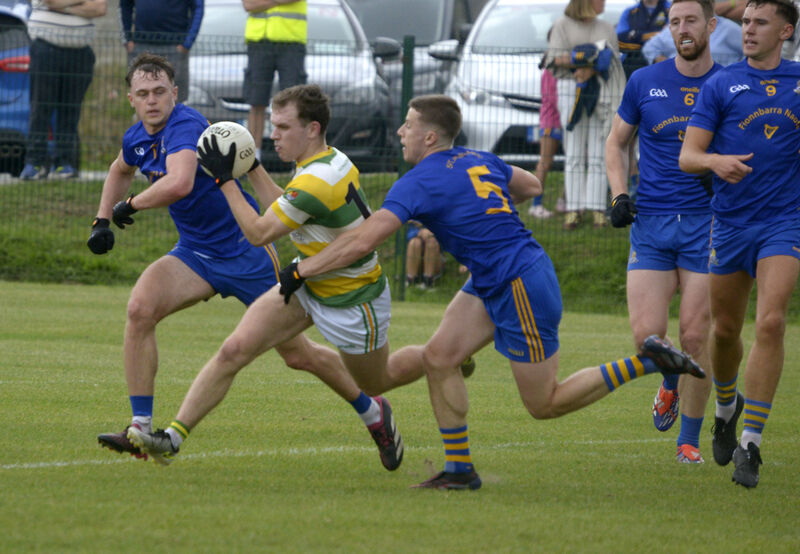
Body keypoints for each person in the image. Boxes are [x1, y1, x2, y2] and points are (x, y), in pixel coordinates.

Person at [279, 94, 705, 490]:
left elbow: (361, 242)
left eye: (407, 126)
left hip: (517, 283)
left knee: (545, 403)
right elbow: (531, 186)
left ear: (430, 136)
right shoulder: (477, 158)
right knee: (439, 357)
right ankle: (460, 469)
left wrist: (303, 270)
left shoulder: (416, 182)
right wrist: (481, 213)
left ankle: (645, 363)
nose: (399, 133)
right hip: (498, 275)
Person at [92, 58, 400, 472]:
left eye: (160, 91)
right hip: (195, 253)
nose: (152, 101)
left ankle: (372, 410)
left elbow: (182, 182)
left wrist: (131, 204)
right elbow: (119, 168)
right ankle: (143, 429)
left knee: (297, 356)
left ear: (175, 93)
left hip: (246, 253)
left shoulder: (185, 126)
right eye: (143, 94)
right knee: (140, 309)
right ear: (131, 99)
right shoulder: (137, 137)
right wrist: (101, 220)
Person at [678, 0, 800, 487]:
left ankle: (751, 442)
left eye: (759, 23)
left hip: (784, 224)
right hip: (728, 224)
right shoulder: (721, 84)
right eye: (745, 22)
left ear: (785, 31)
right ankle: (726, 408)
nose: (748, 30)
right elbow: (688, 155)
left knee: (770, 322)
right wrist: (715, 163)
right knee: (725, 331)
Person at [606, 0, 721, 464]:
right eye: (675, 22)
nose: (682, 29)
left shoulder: (730, 84)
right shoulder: (645, 81)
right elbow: (616, 142)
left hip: (708, 225)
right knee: (648, 339)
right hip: (651, 224)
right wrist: (618, 195)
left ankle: (688, 442)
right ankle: (670, 381)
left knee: (695, 337)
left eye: (691, 20)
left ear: (711, 25)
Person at [547, 0, 626, 229]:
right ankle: (573, 209)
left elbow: (613, 58)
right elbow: (554, 57)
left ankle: (597, 208)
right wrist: (584, 60)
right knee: (573, 152)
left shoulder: (606, 27)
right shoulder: (563, 25)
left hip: (601, 92)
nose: (604, 2)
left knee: (599, 151)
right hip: (571, 89)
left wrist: (592, 66)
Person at [19, 0, 107, 181]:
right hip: (45, 49)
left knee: (70, 110)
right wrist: (82, 4)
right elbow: (50, 1)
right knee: (41, 108)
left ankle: (63, 163)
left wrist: (64, 5)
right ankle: (34, 163)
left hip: (80, 53)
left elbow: (100, 8)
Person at [243, 0, 307, 161]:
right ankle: (253, 157)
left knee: (295, 103)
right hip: (259, 42)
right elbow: (248, 5)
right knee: (256, 101)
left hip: (291, 42)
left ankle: (296, 157)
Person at [120, 0, 204, 104]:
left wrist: (187, 43)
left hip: (174, 47)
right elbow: (124, 5)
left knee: (176, 100)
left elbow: (198, 8)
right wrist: (127, 39)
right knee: (142, 97)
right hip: (141, 45)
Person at [527, 58, 561, 220]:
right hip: (551, 122)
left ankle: (565, 201)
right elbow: (553, 98)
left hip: (563, 122)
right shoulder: (550, 71)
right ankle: (536, 204)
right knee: (545, 161)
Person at [642, 14, 743, 64]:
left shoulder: (729, 29)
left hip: (720, 89)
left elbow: (752, 55)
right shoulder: (674, 28)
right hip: (679, 87)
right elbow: (649, 48)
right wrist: (670, 66)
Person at [616, 0, 671, 79]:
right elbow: (620, 39)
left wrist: (635, 35)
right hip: (630, 66)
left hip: (662, 66)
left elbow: (672, 38)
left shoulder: (672, 9)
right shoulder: (629, 12)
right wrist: (651, 36)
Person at [406, 221, 444, 288]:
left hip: (436, 257)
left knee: (432, 242)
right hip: (415, 240)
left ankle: (428, 281)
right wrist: (419, 232)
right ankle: (411, 280)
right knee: (414, 243)